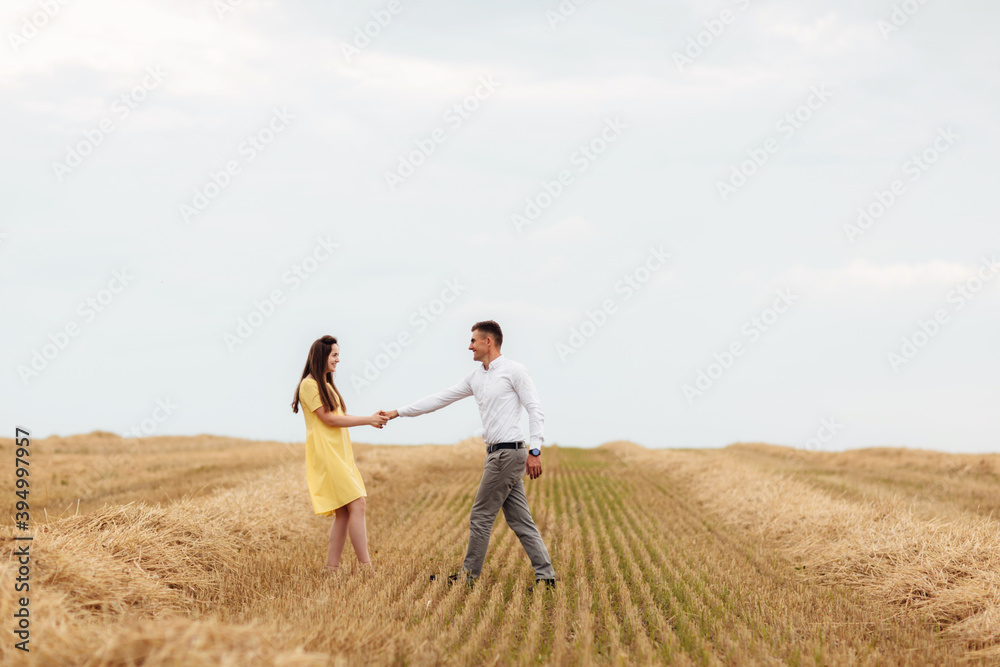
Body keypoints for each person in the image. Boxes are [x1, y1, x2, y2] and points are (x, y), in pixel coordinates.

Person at [381, 320, 556, 589]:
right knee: (520, 520)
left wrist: (535, 450)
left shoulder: (514, 371)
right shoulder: (476, 377)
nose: (469, 346)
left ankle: (468, 577)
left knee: (480, 516)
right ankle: (546, 576)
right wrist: (398, 412)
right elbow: (441, 398)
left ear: (489, 341)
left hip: (509, 453)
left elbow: (535, 409)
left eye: (473, 340)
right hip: (496, 454)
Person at [291, 335, 388, 574]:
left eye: (337, 354)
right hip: (326, 452)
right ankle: (366, 567)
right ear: (321, 356)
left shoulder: (325, 384)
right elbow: (329, 419)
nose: (338, 359)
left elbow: (337, 417)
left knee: (345, 509)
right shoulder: (309, 385)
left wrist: (369, 419)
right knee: (358, 503)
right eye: (334, 355)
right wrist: (368, 420)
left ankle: (331, 568)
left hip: (339, 451)